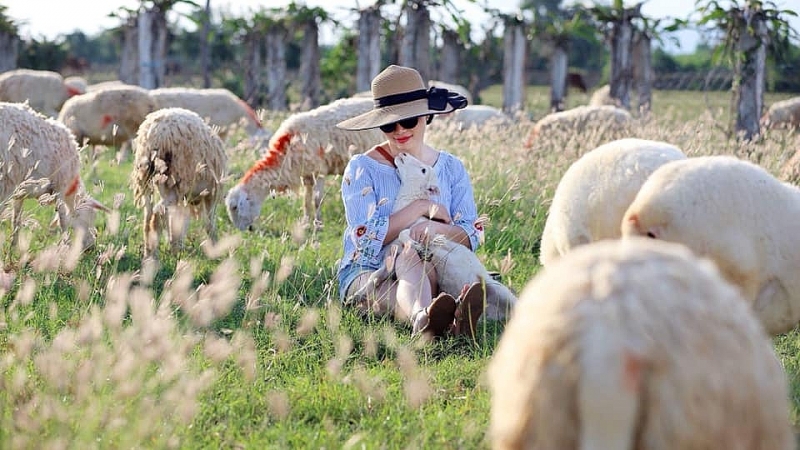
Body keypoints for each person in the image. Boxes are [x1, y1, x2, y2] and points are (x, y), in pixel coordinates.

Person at [335, 64, 486, 340]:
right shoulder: (362, 168)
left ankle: (436, 318)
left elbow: (472, 232)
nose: (399, 130)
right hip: (369, 269)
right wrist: (418, 208)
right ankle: (431, 318)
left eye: (408, 121)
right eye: (389, 124)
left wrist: (437, 230)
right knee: (399, 275)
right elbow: (365, 239)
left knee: (425, 271)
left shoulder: (451, 167)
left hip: (432, 262)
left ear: (426, 116)